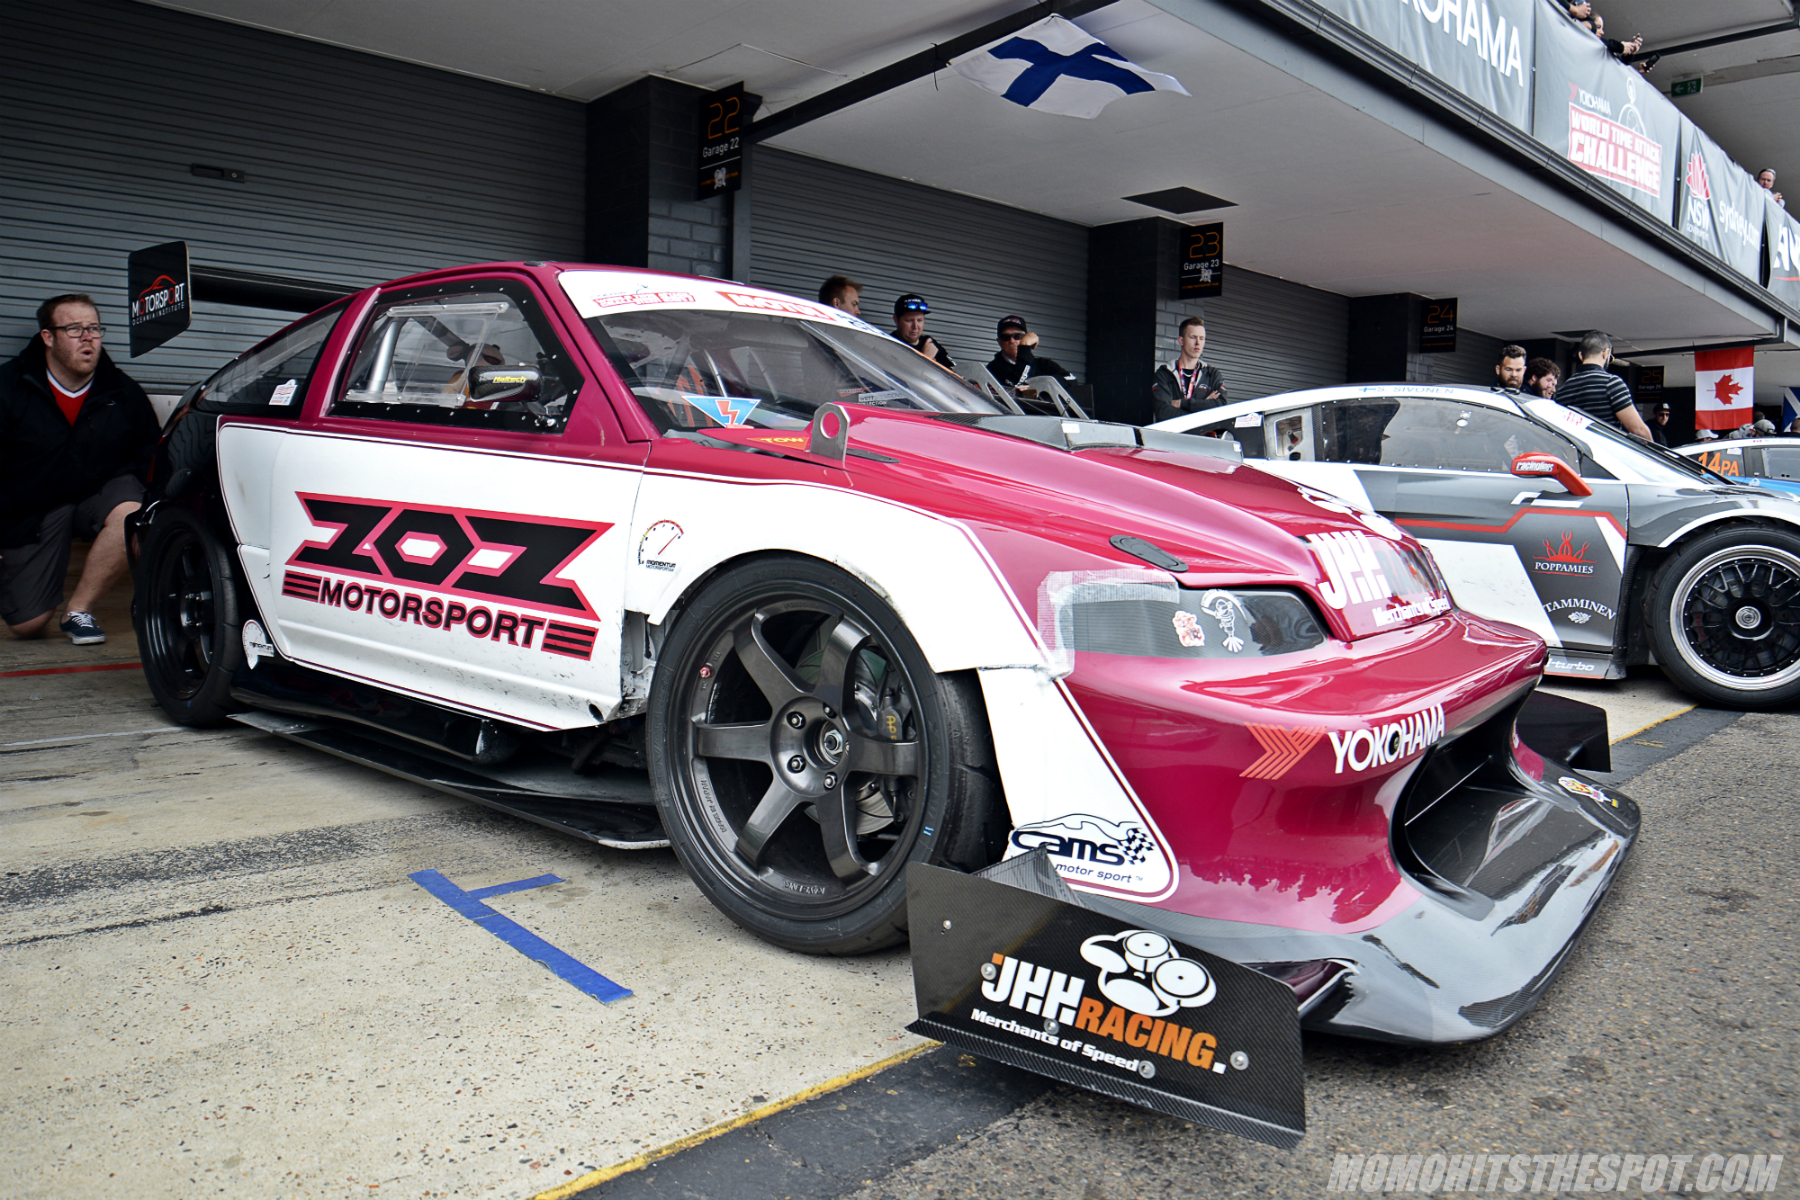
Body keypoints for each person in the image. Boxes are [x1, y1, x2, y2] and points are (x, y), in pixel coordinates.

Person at [0, 294, 160, 644]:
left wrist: (149, 513)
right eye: (74, 329)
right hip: (33, 507)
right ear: (48, 337)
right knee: (27, 625)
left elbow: (150, 453)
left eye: (94, 329)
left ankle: (79, 611)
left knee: (131, 513)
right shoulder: (10, 384)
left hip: (98, 493)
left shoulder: (122, 390)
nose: (88, 338)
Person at [1555, 331, 1654, 439]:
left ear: (1580, 355)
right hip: (1604, 448)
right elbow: (1638, 430)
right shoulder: (1611, 383)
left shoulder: (1563, 390)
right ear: (1606, 353)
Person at [1152, 317, 1228, 423]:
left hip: (1204, 434)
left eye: (1202, 338)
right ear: (1181, 341)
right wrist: (1202, 408)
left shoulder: (1212, 374)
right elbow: (1163, 413)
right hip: (1172, 434)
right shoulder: (1164, 374)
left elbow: (1222, 407)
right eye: (1193, 337)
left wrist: (1182, 403)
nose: (1198, 343)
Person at [987, 315, 1074, 390]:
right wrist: (1024, 347)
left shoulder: (1044, 365)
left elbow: (1071, 380)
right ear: (999, 342)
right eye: (1005, 337)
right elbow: (1016, 384)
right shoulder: (992, 369)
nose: (1012, 341)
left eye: (1018, 336)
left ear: (1025, 337)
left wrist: (1042, 385)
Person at [891, 294, 954, 368]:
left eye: (919, 320)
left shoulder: (929, 343)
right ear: (896, 320)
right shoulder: (889, 345)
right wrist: (925, 358)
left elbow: (952, 371)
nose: (915, 327)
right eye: (909, 320)